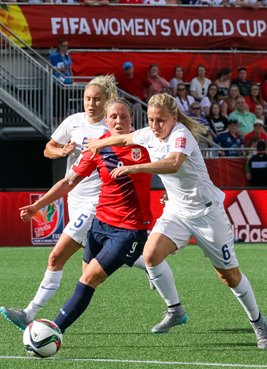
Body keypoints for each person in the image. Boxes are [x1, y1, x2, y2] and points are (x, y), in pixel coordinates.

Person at [87, 93, 267, 349]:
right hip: (176, 212)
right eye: (150, 120)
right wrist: (98, 143)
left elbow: (173, 163)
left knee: (229, 276)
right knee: (150, 255)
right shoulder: (149, 134)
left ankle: (259, 322)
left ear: (174, 118)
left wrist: (133, 168)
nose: (155, 126)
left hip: (206, 214)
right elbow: (126, 138)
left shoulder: (181, 135)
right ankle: (175, 310)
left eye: (161, 120)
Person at [18, 99, 188, 337]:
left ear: (132, 119)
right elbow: (69, 182)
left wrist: (172, 198)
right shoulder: (97, 148)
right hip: (99, 225)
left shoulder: (147, 142)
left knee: (89, 278)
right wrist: (38, 205)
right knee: (86, 276)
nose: (119, 121)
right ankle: (151, 266)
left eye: (124, 116)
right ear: (106, 121)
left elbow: (175, 169)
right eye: (114, 117)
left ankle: (51, 332)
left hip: (129, 229)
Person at [0, 77, 151, 331]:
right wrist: (60, 152)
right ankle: (146, 259)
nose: (92, 104)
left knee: (57, 257)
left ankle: (30, 313)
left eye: (97, 99)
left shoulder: (112, 129)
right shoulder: (74, 122)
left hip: (96, 205)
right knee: (89, 265)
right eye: (88, 99)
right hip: (75, 199)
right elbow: (49, 148)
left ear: (107, 102)